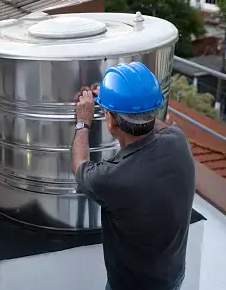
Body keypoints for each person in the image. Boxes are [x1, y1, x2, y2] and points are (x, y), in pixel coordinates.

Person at [71, 62, 195, 290]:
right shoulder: (178, 141)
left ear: (110, 121)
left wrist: (83, 122)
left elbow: (79, 166)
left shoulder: (112, 177)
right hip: (172, 278)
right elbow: (150, 122)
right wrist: (119, 103)